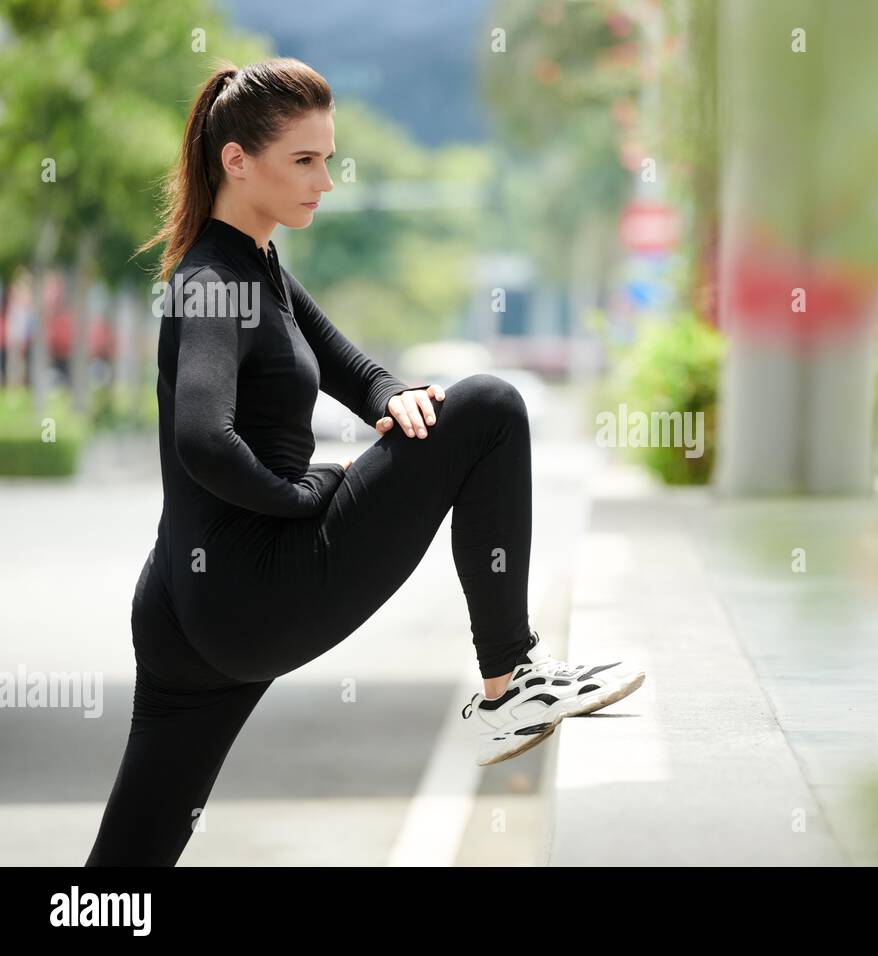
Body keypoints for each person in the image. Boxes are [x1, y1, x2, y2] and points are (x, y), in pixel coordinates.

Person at [84, 57, 644, 867]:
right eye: (305, 161)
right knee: (488, 408)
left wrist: (392, 396)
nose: (327, 180)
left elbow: (349, 365)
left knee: (130, 860)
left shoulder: (255, 264)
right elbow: (203, 439)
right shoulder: (212, 283)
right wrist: (303, 492)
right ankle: (510, 683)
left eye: (328, 158)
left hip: (188, 607)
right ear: (237, 160)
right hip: (249, 590)